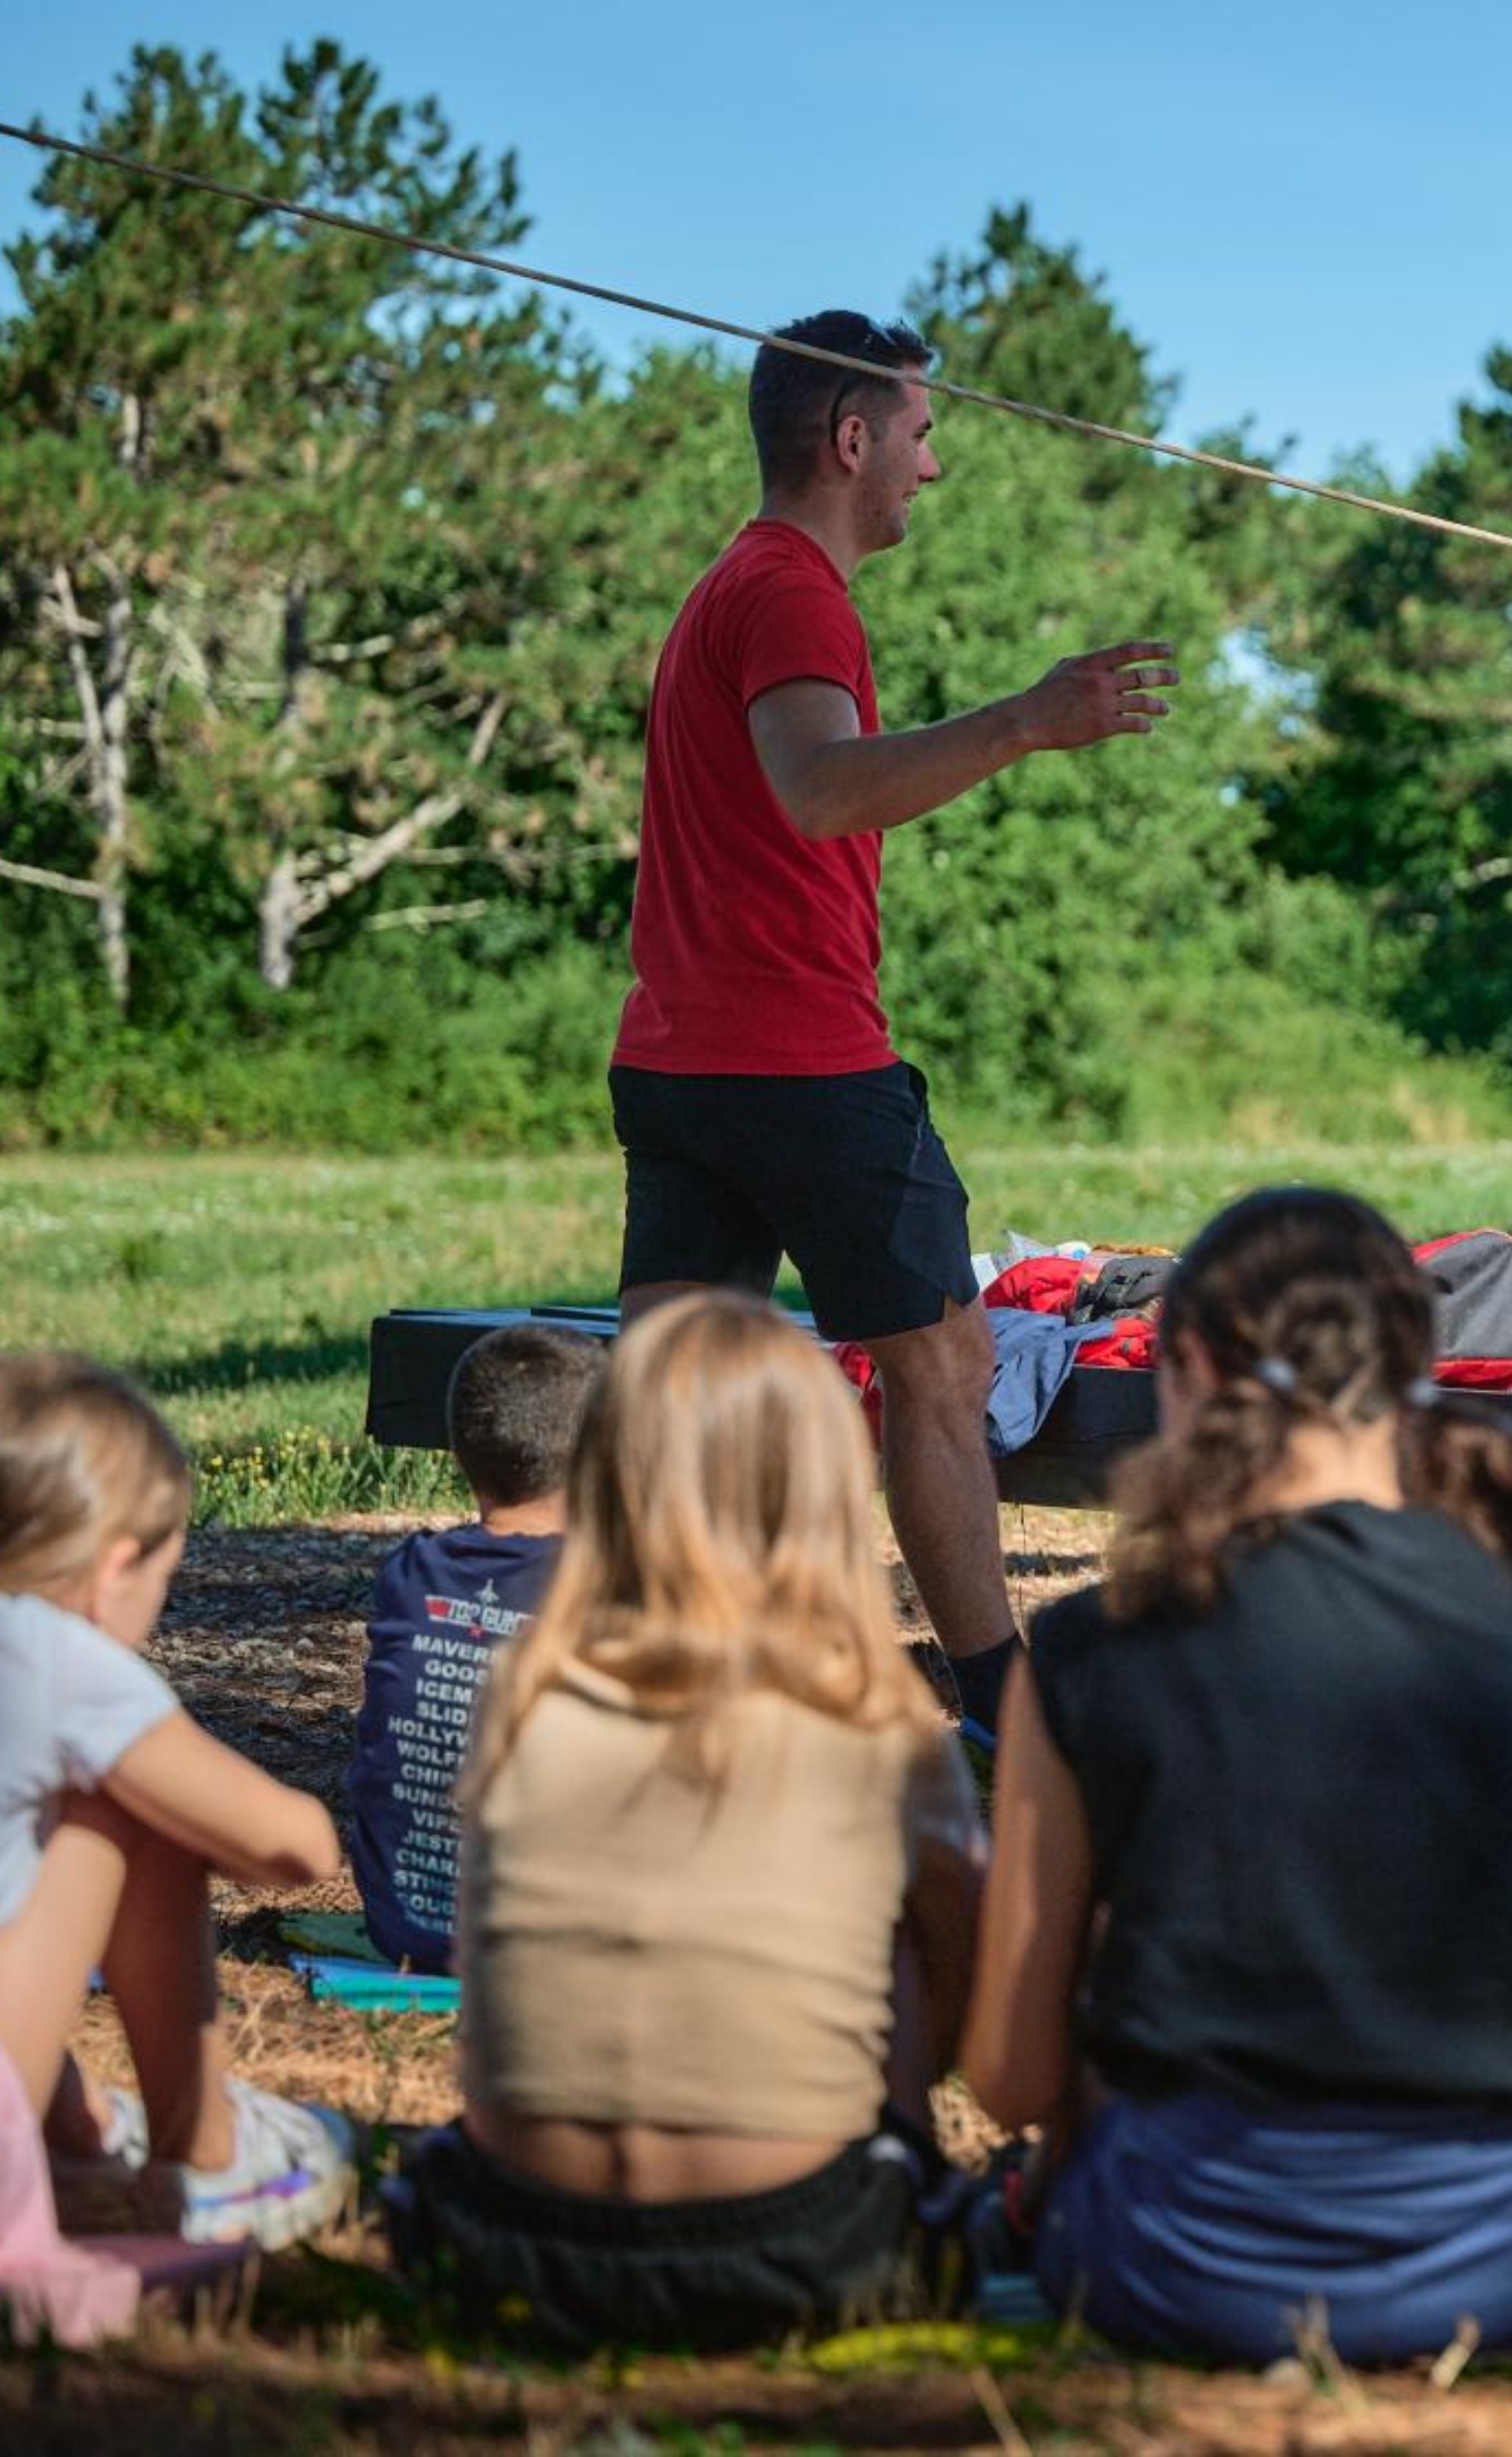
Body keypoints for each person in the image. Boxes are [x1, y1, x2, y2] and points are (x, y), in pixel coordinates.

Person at [958, 1188, 1512, 2365]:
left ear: (1178, 1370)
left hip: (1189, 2261)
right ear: (1415, 1368)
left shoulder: (1089, 1649)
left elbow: (1013, 2078)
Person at [609, 309, 1178, 1734]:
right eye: (921, 434)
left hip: (676, 1063)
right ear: (851, 438)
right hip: (800, 1065)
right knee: (947, 1366)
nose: (931, 467)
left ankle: (660, 1678)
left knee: (682, 1384)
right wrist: (1025, 722)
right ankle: (1004, 1704)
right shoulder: (793, 592)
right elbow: (819, 790)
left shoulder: (728, 586)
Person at [384, 1294, 981, 2351]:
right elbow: (968, 1997)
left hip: (507, 2240)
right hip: (801, 2251)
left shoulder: (526, 1700)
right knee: (894, 1915)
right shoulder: (878, 1733)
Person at [0, 1356, 353, 2250]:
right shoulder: (52, 1652)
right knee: (132, 1811)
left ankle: (72, 2142)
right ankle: (212, 2156)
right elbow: (296, 1851)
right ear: (114, 1566)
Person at [343, 1320, 602, 1970]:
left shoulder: (411, 1572)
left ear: (457, 1453)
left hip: (407, 1924)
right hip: (552, 1942)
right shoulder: (606, 1588)